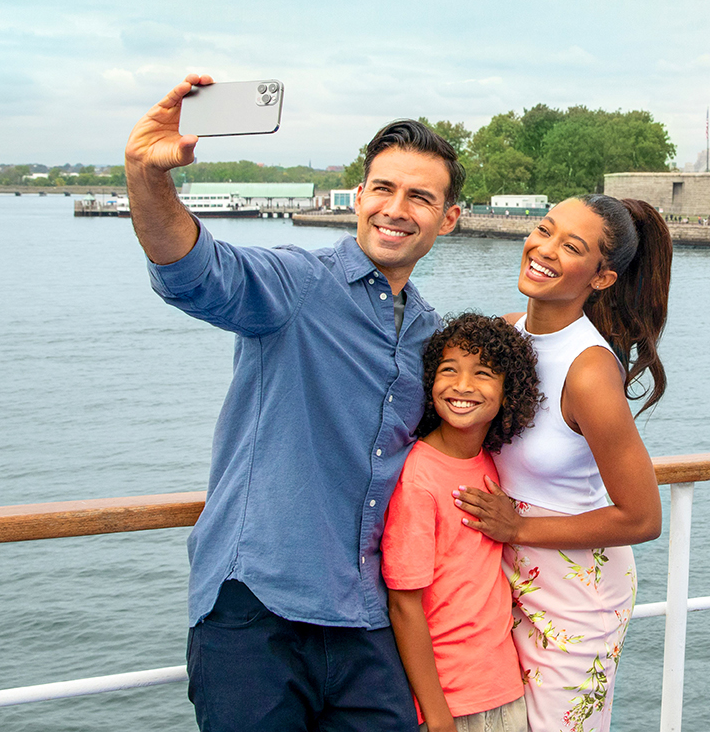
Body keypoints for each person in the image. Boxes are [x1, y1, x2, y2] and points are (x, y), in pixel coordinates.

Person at [124, 73, 462, 732]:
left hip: (363, 613)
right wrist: (146, 173)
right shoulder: (296, 283)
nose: (397, 208)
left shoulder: (429, 336)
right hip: (258, 609)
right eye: (384, 189)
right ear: (359, 196)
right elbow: (191, 270)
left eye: (420, 197)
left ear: (448, 219)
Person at [455, 195, 670, 732]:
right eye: (543, 230)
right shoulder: (503, 335)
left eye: (570, 247)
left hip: (575, 595)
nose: (543, 249)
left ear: (601, 279)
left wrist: (519, 526)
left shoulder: (590, 371)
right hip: (496, 580)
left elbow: (643, 517)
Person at [383, 314, 543, 732]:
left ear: (509, 392)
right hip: (451, 702)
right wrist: (436, 716)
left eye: (484, 373)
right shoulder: (418, 477)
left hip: (505, 685)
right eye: (448, 369)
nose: (463, 385)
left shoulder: (492, 462)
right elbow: (404, 604)